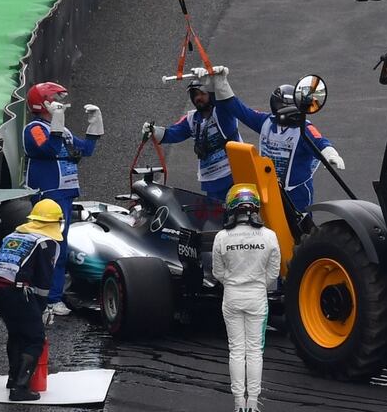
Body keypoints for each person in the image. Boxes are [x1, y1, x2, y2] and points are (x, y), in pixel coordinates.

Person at [23, 82, 102, 316]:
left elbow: (85, 149)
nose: (61, 101)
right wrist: (57, 124)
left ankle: (53, 294)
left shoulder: (63, 130)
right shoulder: (34, 128)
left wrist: (94, 126)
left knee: (61, 245)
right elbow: (48, 149)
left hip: (65, 193)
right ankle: (47, 298)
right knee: (49, 246)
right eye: (56, 97)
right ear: (45, 102)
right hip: (48, 195)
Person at [0, 199, 63, 401]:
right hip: (16, 289)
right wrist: (41, 309)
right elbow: (44, 281)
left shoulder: (15, 234)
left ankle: (13, 378)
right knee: (35, 338)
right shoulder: (46, 243)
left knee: (17, 331)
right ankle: (20, 389)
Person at [212, 184, 281, 412]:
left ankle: (237, 403)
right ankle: (252, 403)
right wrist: (259, 284)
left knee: (236, 349)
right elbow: (274, 272)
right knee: (254, 351)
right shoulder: (270, 236)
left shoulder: (222, 237)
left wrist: (232, 282)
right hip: (257, 297)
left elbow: (217, 272)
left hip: (231, 296)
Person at [231, 84, 345, 212]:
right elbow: (240, 110)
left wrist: (331, 154)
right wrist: (220, 84)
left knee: (302, 228)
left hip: (297, 192)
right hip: (270, 189)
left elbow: (320, 142)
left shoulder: (304, 128)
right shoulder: (266, 122)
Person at [142, 66, 243, 202]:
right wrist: (153, 131)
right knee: (216, 220)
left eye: (202, 93)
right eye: (194, 94)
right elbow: (173, 133)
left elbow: (224, 100)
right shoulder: (192, 119)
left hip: (234, 175)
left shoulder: (223, 112)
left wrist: (216, 82)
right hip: (210, 180)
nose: (198, 98)